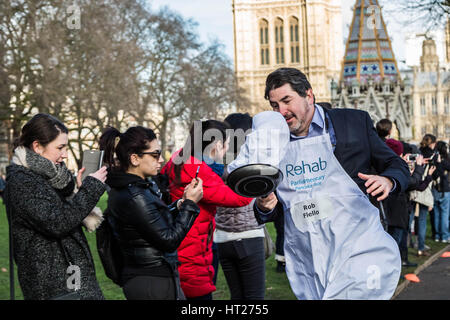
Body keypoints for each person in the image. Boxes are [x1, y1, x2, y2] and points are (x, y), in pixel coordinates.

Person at [253, 68, 410, 300]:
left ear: (309, 95)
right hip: (308, 257)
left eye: (287, 101)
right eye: (275, 106)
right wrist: (264, 205)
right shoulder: (272, 141)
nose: (281, 112)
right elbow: (275, 205)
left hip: (357, 246)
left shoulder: (353, 122)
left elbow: (396, 165)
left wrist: (388, 180)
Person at [4, 113, 107, 300]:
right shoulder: (22, 181)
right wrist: (90, 190)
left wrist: (78, 190)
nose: (65, 154)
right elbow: (57, 223)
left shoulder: (51, 178)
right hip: (54, 286)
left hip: (69, 278)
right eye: (60, 147)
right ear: (37, 147)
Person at [100, 126, 203, 300]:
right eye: (155, 155)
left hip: (153, 276)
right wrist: (190, 205)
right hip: (151, 280)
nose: (161, 160)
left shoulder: (134, 188)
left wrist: (179, 205)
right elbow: (168, 240)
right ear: (134, 158)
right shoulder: (134, 195)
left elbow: (149, 222)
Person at [161, 120, 253, 300]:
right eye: (226, 145)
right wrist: (259, 183)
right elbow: (238, 198)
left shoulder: (180, 159)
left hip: (184, 243)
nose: (226, 150)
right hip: (192, 252)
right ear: (218, 145)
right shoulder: (199, 172)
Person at [214, 113, 265, 300]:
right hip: (249, 234)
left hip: (222, 237)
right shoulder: (252, 161)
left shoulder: (217, 163)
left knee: (237, 297)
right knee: (254, 299)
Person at [431, 141, 450, 243]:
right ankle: (444, 236)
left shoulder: (433, 158)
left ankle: (437, 235)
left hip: (435, 189)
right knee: (444, 214)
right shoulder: (444, 160)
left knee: (437, 213)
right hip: (444, 189)